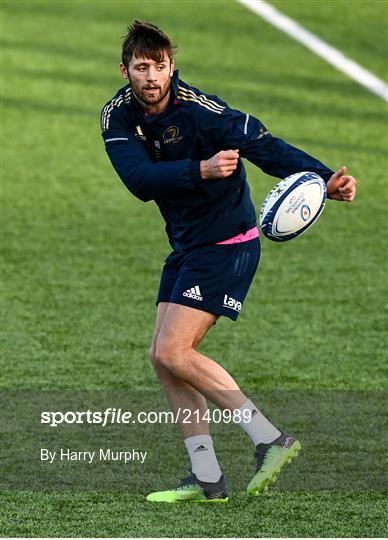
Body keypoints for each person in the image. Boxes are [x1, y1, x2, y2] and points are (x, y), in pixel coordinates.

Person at [101, 20, 357, 503]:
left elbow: (264, 145)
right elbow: (138, 180)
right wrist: (200, 169)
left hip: (228, 242)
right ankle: (206, 476)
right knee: (162, 359)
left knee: (175, 352)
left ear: (172, 67)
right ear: (125, 71)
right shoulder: (116, 116)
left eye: (159, 67)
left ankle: (270, 439)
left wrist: (324, 179)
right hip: (186, 245)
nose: (151, 77)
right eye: (141, 68)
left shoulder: (204, 112)